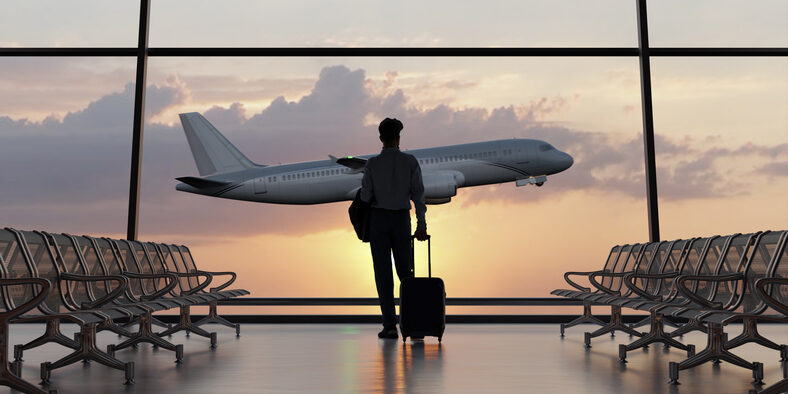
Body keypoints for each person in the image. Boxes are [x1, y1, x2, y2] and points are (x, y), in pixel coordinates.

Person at [360, 117, 429, 340]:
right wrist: (421, 226)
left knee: (383, 274)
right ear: (399, 138)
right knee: (406, 274)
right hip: (401, 220)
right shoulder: (410, 162)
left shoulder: (372, 164)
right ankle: (416, 323)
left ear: (381, 138)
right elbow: (418, 196)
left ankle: (389, 326)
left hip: (379, 221)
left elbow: (366, 196)